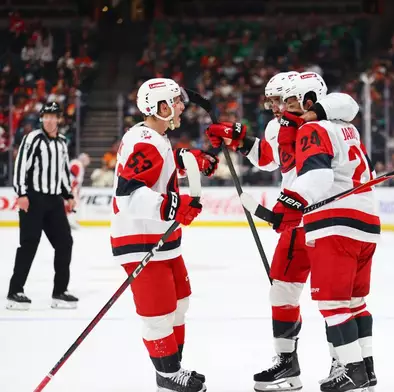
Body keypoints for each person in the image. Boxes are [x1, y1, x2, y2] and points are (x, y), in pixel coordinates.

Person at [205, 71, 360, 392]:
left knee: (333, 299)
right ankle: (287, 364)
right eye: (273, 101)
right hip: (294, 221)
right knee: (282, 291)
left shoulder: (324, 117)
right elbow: (268, 159)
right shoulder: (279, 125)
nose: (275, 107)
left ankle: (343, 363)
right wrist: (238, 139)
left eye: (282, 100)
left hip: (327, 218)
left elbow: (347, 103)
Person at [272, 72, 379, 392]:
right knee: (355, 302)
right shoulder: (347, 129)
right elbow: (347, 105)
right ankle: (367, 369)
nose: (288, 109)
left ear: (309, 101)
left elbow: (317, 178)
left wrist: (287, 203)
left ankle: (353, 370)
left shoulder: (313, 128)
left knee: (333, 305)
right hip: (367, 223)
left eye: (293, 102)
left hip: (335, 224)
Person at [111, 77, 217, 392]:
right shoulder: (145, 139)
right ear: (159, 107)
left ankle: (174, 368)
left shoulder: (157, 137)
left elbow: (161, 168)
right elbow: (127, 196)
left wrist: (190, 162)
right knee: (158, 314)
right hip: (141, 241)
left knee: (179, 304)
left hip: (163, 241)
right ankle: (168, 375)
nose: (182, 106)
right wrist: (174, 206)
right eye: (176, 101)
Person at [7, 102, 77, 310]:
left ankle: (60, 292)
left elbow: (63, 171)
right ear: (41, 118)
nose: (49, 120)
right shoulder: (33, 138)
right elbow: (21, 165)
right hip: (34, 198)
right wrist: (21, 193)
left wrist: (68, 195)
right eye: (46, 116)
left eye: (53, 116)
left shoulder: (63, 142)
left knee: (65, 243)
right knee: (29, 244)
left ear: (59, 119)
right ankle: (15, 291)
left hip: (54, 201)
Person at [68, 152, 90, 229]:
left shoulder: (76, 164)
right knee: (74, 204)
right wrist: (72, 189)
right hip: (71, 188)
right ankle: (71, 221)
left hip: (71, 188)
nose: (88, 161)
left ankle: (71, 221)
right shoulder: (77, 165)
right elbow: (72, 178)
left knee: (72, 205)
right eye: (87, 159)